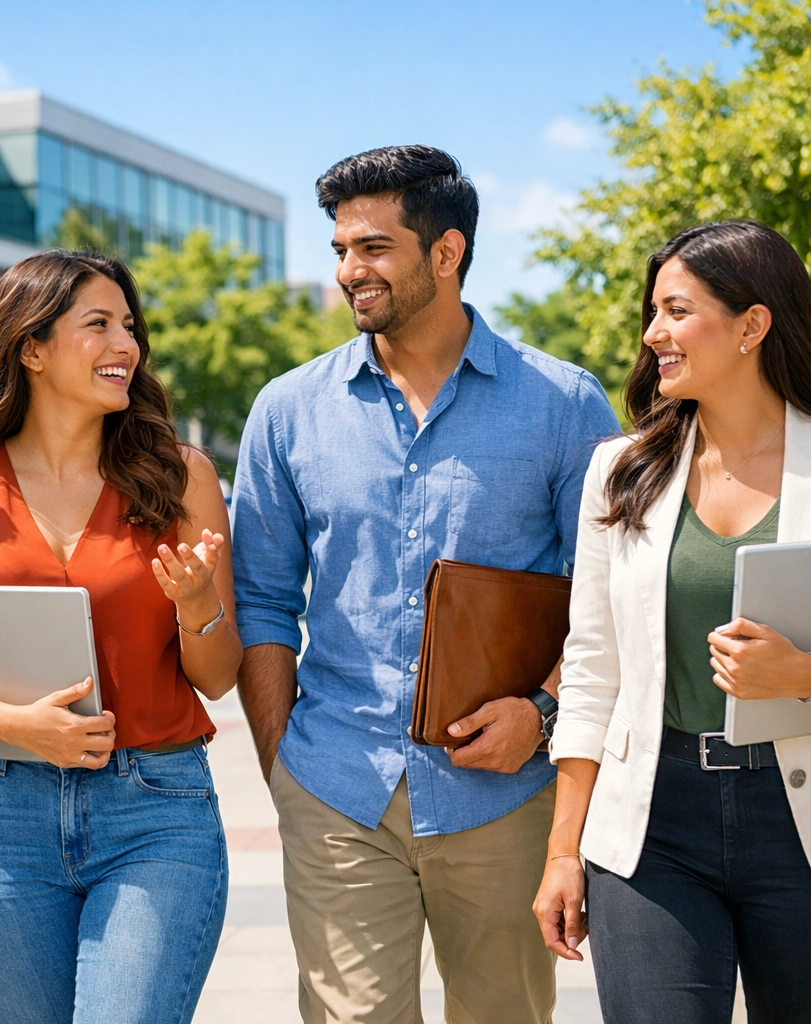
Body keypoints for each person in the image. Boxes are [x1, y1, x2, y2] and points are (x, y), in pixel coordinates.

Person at [533, 220, 811, 1024]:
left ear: (752, 324)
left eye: (674, 310)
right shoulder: (620, 471)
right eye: (653, 312)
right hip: (653, 824)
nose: (651, 334)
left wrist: (809, 675)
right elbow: (592, 669)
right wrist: (564, 851)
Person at [231, 145, 621, 1024]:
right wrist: (281, 768)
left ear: (446, 253)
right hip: (335, 788)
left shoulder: (563, 406)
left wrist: (545, 714)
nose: (347, 271)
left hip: (505, 796)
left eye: (372, 248)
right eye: (339, 250)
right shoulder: (287, 411)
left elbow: (612, 600)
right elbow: (260, 600)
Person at [0, 250, 241, 1024]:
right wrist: (14, 725)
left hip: (156, 810)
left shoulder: (182, 478)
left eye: (130, 326)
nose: (127, 345)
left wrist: (196, 602)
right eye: (100, 325)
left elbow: (217, 675)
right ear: (32, 348)